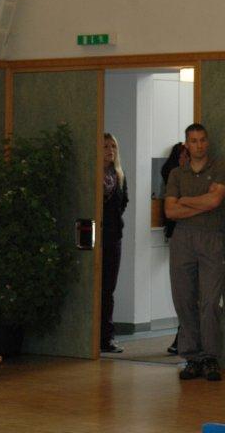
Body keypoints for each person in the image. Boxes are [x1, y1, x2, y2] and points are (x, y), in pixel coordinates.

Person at [164, 124, 225, 381]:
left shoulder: (220, 168)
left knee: (210, 301)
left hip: (211, 238)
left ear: (207, 142)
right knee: (184, 298)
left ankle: (210, 357)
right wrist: (203, 201)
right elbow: (170, 211)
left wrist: (185, 201)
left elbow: (215, 201)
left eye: (202, 140)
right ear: (187, 145)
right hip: (183, 240)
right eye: (193, 141)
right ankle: (192, 358)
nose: (199, 145)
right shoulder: (177, 174)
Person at [160, 141, 189, 355]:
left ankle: (186, 337)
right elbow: (171, 210)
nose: (184, 159)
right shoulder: (173, 177)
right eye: (182, 156)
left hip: (194, 235)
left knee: (192, 292)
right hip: (177, 234)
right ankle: (183, 336)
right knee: (182, 290)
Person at [101, 133, 129, 353]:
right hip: (94, 237)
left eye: (113, 146)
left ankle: (106, 337)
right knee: (95, 287)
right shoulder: (93, 174)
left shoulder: (119, 176)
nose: (110, 150)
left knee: (108, 288)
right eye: (105, 146)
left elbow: (123, 202)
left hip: (113, 237)